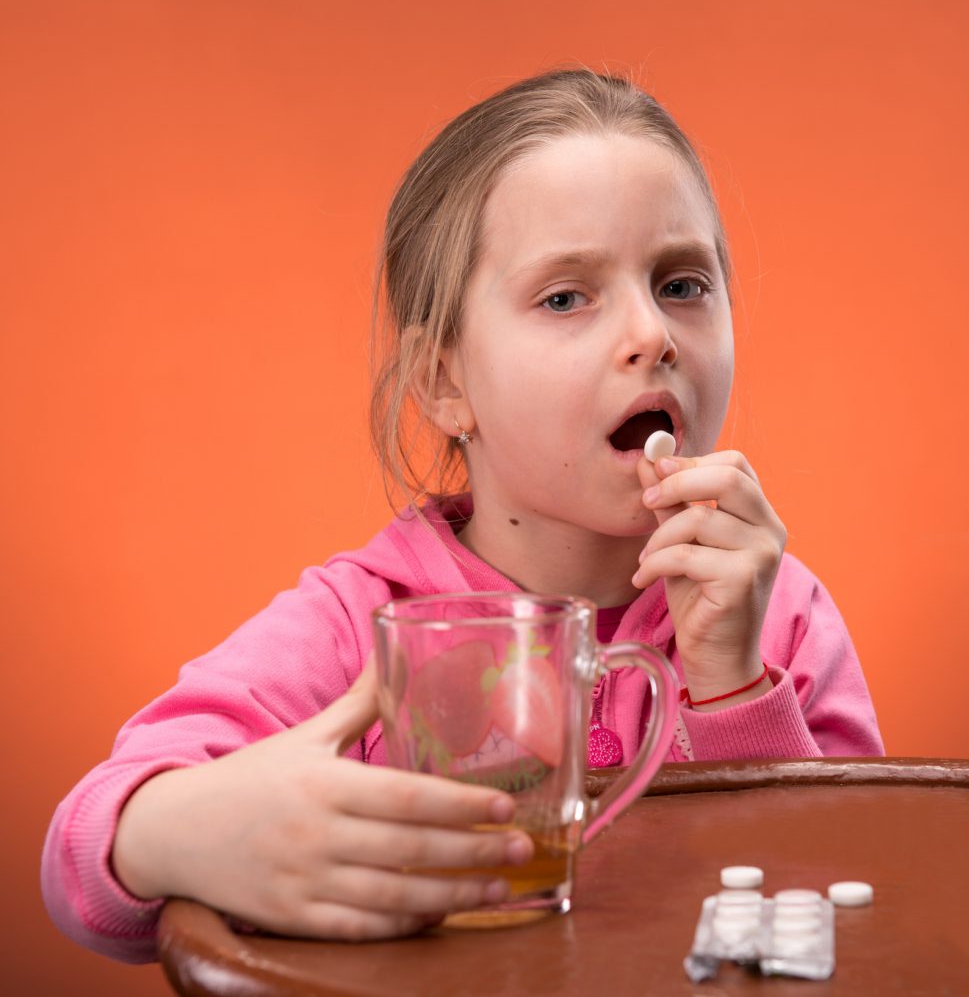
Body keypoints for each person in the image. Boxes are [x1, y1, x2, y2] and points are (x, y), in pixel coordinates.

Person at [41, 68, 883, 963]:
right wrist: (190, 832)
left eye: (682, 283)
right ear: (446, 382)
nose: (653, 332)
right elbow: (84, 855)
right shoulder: (353, 628)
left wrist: (734, 687)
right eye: (566, 296)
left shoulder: (780, 616)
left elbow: (854, 906)